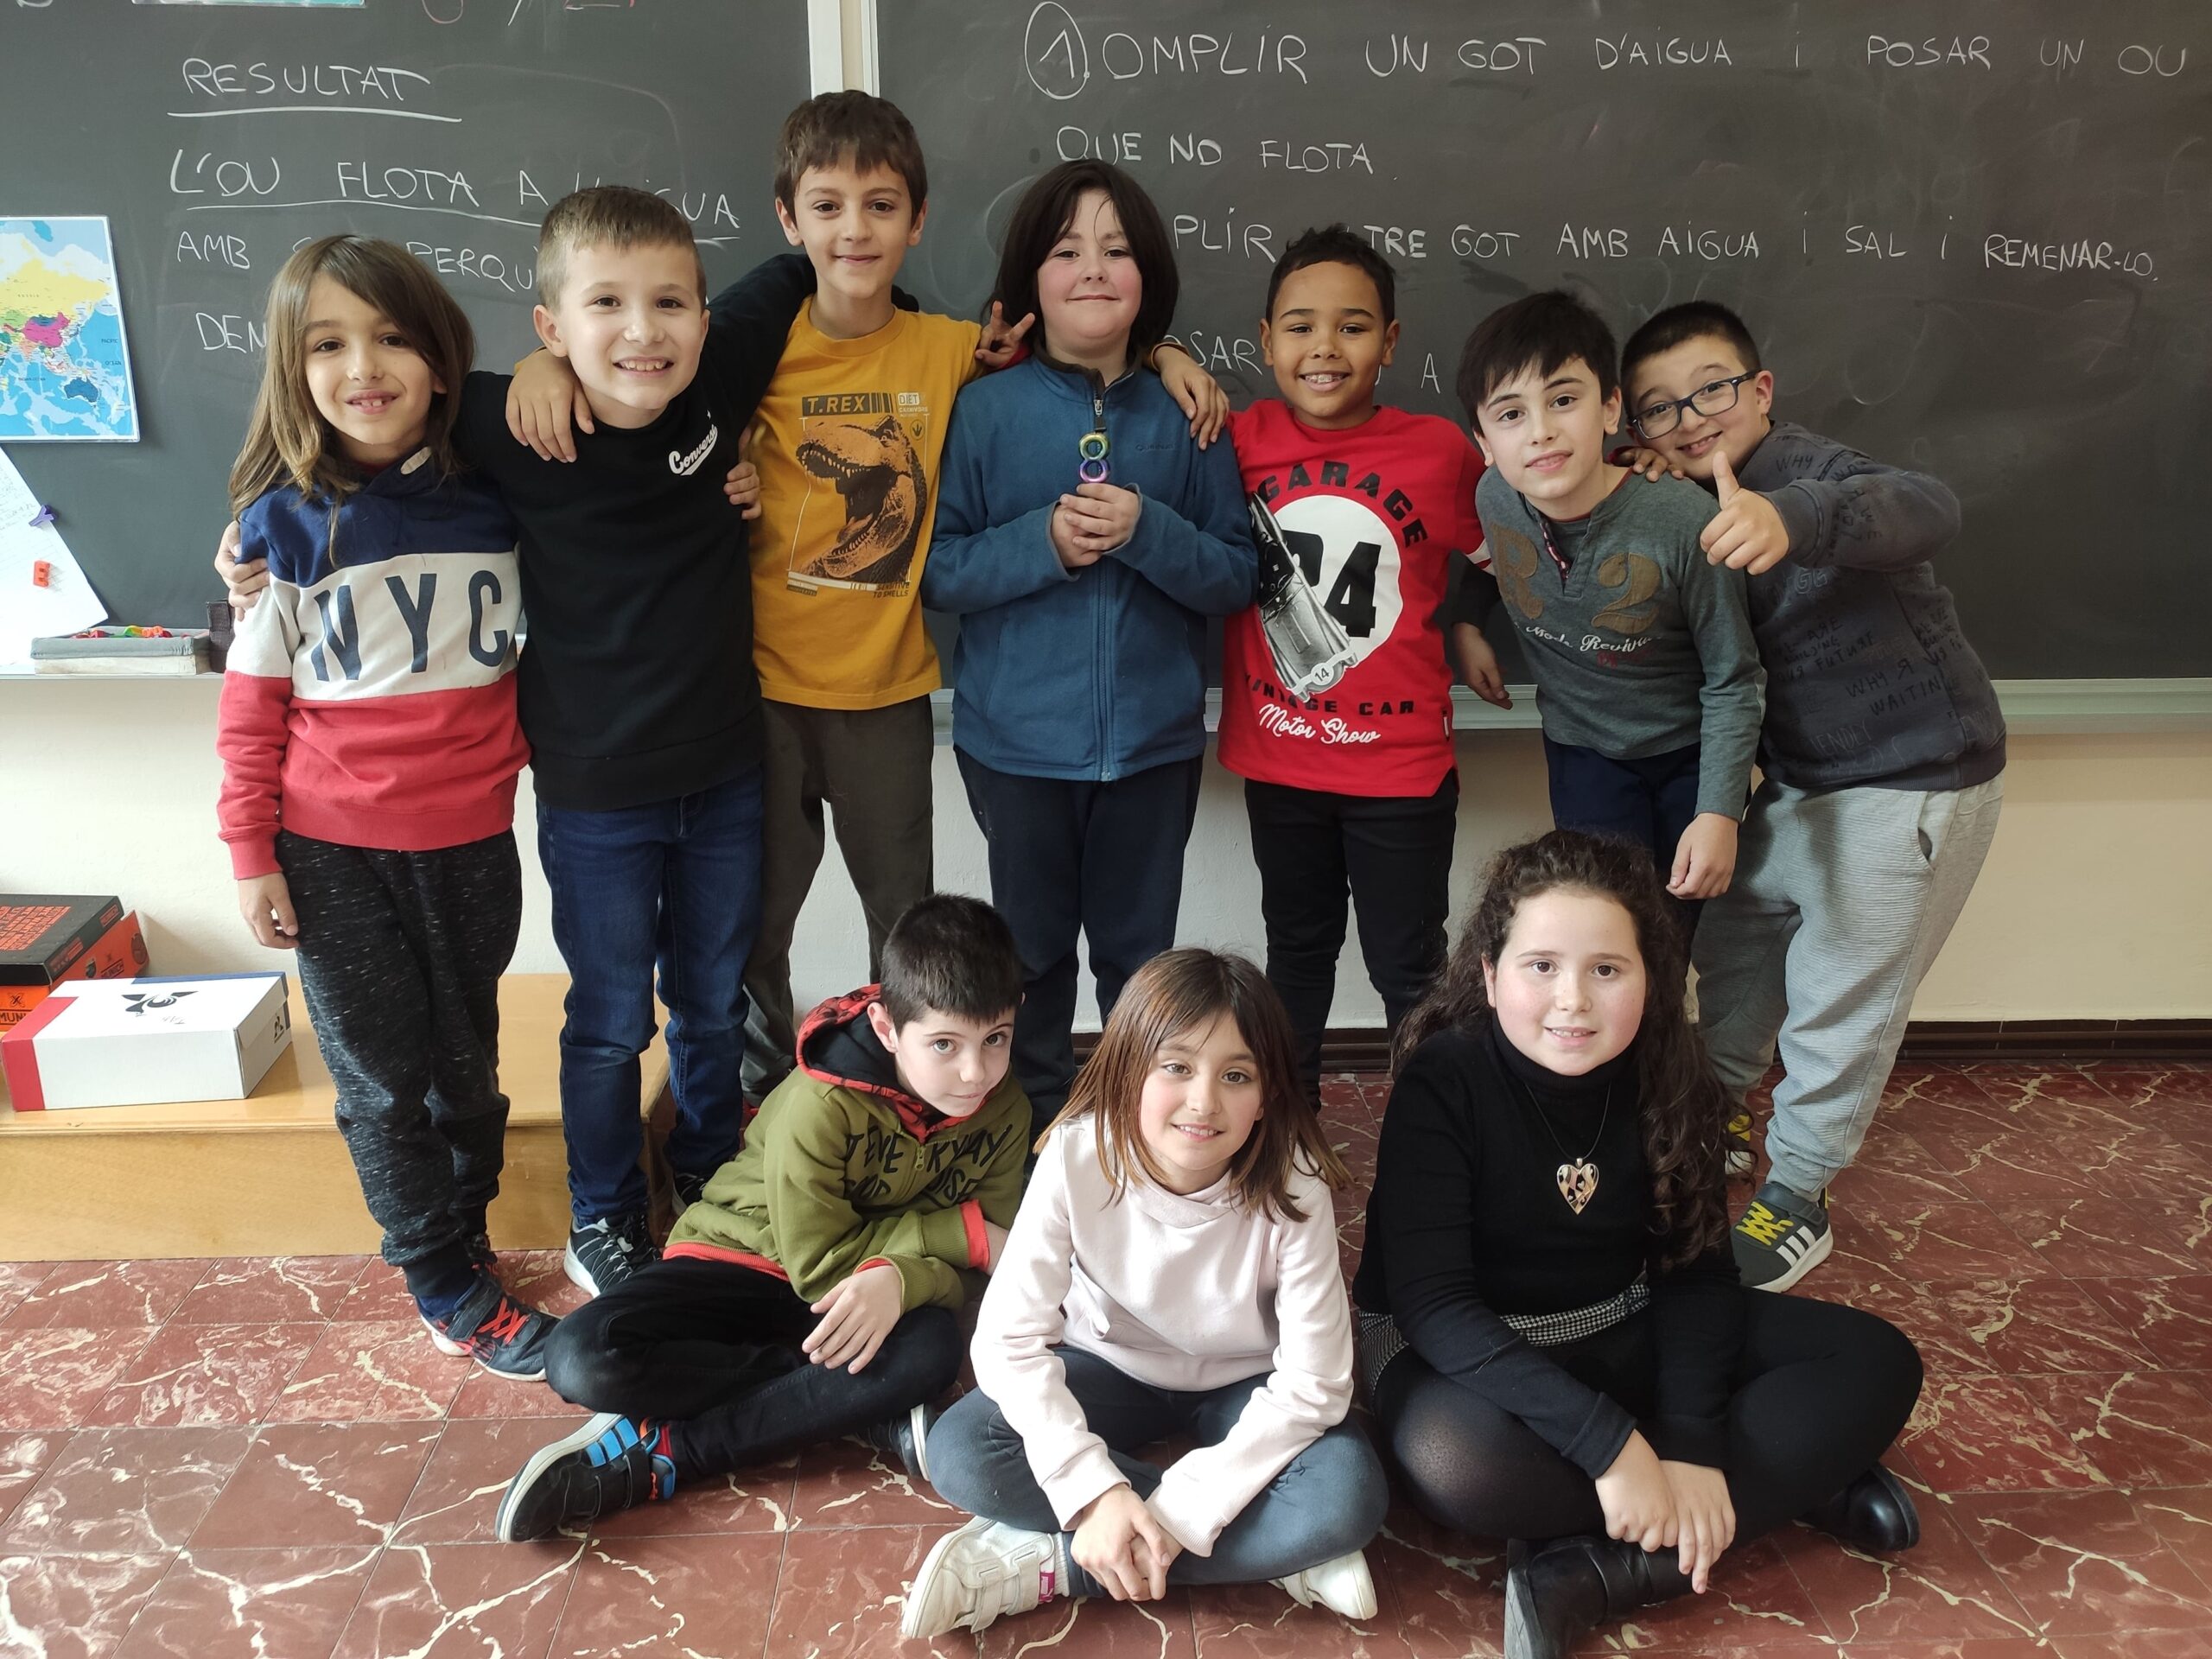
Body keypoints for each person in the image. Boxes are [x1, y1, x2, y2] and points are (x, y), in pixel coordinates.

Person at [505, 97, 1229, 1108]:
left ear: (917, 220)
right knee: (753, 924)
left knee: (909, 926)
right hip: (759, 694)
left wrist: (1168, 353)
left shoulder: (953, 352)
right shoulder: (739, 353)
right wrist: (541, 361)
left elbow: (1085, 357)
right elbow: (632, 378)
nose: (855, 228)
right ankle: (763, 1097)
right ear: (789, 219)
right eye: (828, 206)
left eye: (881, 205)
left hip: (889, 695)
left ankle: (914, 1105)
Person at [220, 188, 800, 1296]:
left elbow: (807, 260)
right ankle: (604, 1215)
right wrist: (246, 541)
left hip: (727, 775)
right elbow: (356, 449)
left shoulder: (715, 381)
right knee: (610, 1020)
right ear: (550, 327)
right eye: (604, 306)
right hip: (592, 796)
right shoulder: (499, 424)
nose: (642, 330)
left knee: (714, 1004)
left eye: (669, 303)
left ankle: (712, 1180)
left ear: (701, 315)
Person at [1353, 830, 1924, 1659]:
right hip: (1458, 1352)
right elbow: (1435, 1306)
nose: (1573, 1000)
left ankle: (1602, 1571)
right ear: (1490, 975)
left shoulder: (1672, 1071)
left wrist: (1690, 1445)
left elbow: (1697, 1277)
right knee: (1460, 1466)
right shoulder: (1444, 1078)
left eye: (1606, 970)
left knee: (1877, 1359)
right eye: (1541, 966)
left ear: (1649, 979)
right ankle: (1793, 1482)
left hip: (1621, 1319)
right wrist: (1611, 1446)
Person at [215, 234, 555, 1377]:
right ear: (293, 367)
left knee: (468, 1063)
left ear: (442, 360)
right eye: (328, 344)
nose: (363, 367)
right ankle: (439, 1278)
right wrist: (249, 850)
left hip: (472, 841)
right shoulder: (281, 529)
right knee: (380, 1075)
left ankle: (463, 1228)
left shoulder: (500, 502)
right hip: (331, 851)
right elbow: (251, 705)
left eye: (392, 337)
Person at [1618, 300, 2005, 1290]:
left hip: (1910, 784)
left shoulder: (1812, 471)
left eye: (1709, 390)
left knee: (1843, 995)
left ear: (1759, 390)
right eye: (1659, 407)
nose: (1690, 419)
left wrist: (1788, 517)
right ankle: (1711, 1121)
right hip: (1795, 783)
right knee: (1733, 953)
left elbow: (1928, 506)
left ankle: (1798, 1194)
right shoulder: (1672, 501)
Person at [493, 893, 1031, 1541]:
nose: (975, 1073)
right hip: (745, 1260)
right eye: (944, 1044)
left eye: (995, 1039)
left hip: (862, 1294)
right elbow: (824, 1267)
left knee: (931, 1351)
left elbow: (990, 1267)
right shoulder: (819, 1104)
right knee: (581, 1357)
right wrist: (951, 1237)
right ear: (887, 1028)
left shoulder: (1007, 1110)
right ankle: (851, 1407)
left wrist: (909, 1278)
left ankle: (673, 1454)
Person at [901, 949, 1386, 1641]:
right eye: (1176, 1067)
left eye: (1236, 1075)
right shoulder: (1076, 1155)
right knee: (962, 1449)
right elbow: (1007, 1341)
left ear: (1267, 1096)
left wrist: (1183, 1510)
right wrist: (1095, 1493)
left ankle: (1054, 1565)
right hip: (1107, 1365)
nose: (1203, 1101)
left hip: (1244, 1382)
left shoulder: (1294, 1182)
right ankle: (1272, 1551)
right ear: (1129, 1070)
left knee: (1346, 1497)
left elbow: (1317, 1383)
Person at [922, 159, 1258, 1139]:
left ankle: (1134, 1137)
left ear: (1148, 273)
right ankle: (1032, 1142)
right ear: (1031, 276)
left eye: (1116, 250)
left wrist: (1149, 530)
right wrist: (1043, 544)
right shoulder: (982, 410)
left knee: (1138, 963)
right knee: (1027, 961)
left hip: (1153, 746)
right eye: (1067, 251)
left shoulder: (1191, 416)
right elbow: (937, 571)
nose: (1094, 269)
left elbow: (1235, 577)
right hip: (1014, 747)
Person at [1217, 225, 1509, 1103]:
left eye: (1352, 327)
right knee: (1295, 954)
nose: (1324, 348)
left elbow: (1517, 541)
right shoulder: (1229, 441)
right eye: (1300, 326)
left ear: (1390, 341)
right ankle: (1291, 1127)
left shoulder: (1439, 452)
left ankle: (1432, 1134)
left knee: (1409, 966)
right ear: (1264, 340)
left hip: (1401, 769)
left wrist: (1468, 619)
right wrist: (1164, 356)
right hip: (1281, 758)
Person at [1455, 292, 1764, 935]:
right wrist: (1466, 622)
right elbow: (1492, 559)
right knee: (1604, 926)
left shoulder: (1684, 522)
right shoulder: (1494, 496)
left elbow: (1733, 678)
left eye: (1564, 400)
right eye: (1510, 414)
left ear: (1611, 408)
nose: (1540, 430)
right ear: (1483, 441)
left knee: (1674, 936)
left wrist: (1719, 812)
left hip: (1686, 756)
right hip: (1583, 752)